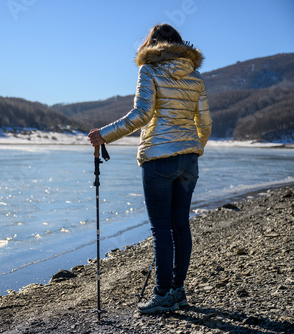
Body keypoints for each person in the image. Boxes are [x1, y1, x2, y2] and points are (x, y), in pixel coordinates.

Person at [88, 23, 212, 314]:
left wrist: (104, 135)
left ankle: (162, 293)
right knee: (180, 225)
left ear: (152, 44)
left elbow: (142, 114)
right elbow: (204, 123)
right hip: (188, 160)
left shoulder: (149, 70)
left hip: (158, 159)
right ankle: (177, 292)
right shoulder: (195, 77)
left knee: (161, 229)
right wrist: (195, 149)